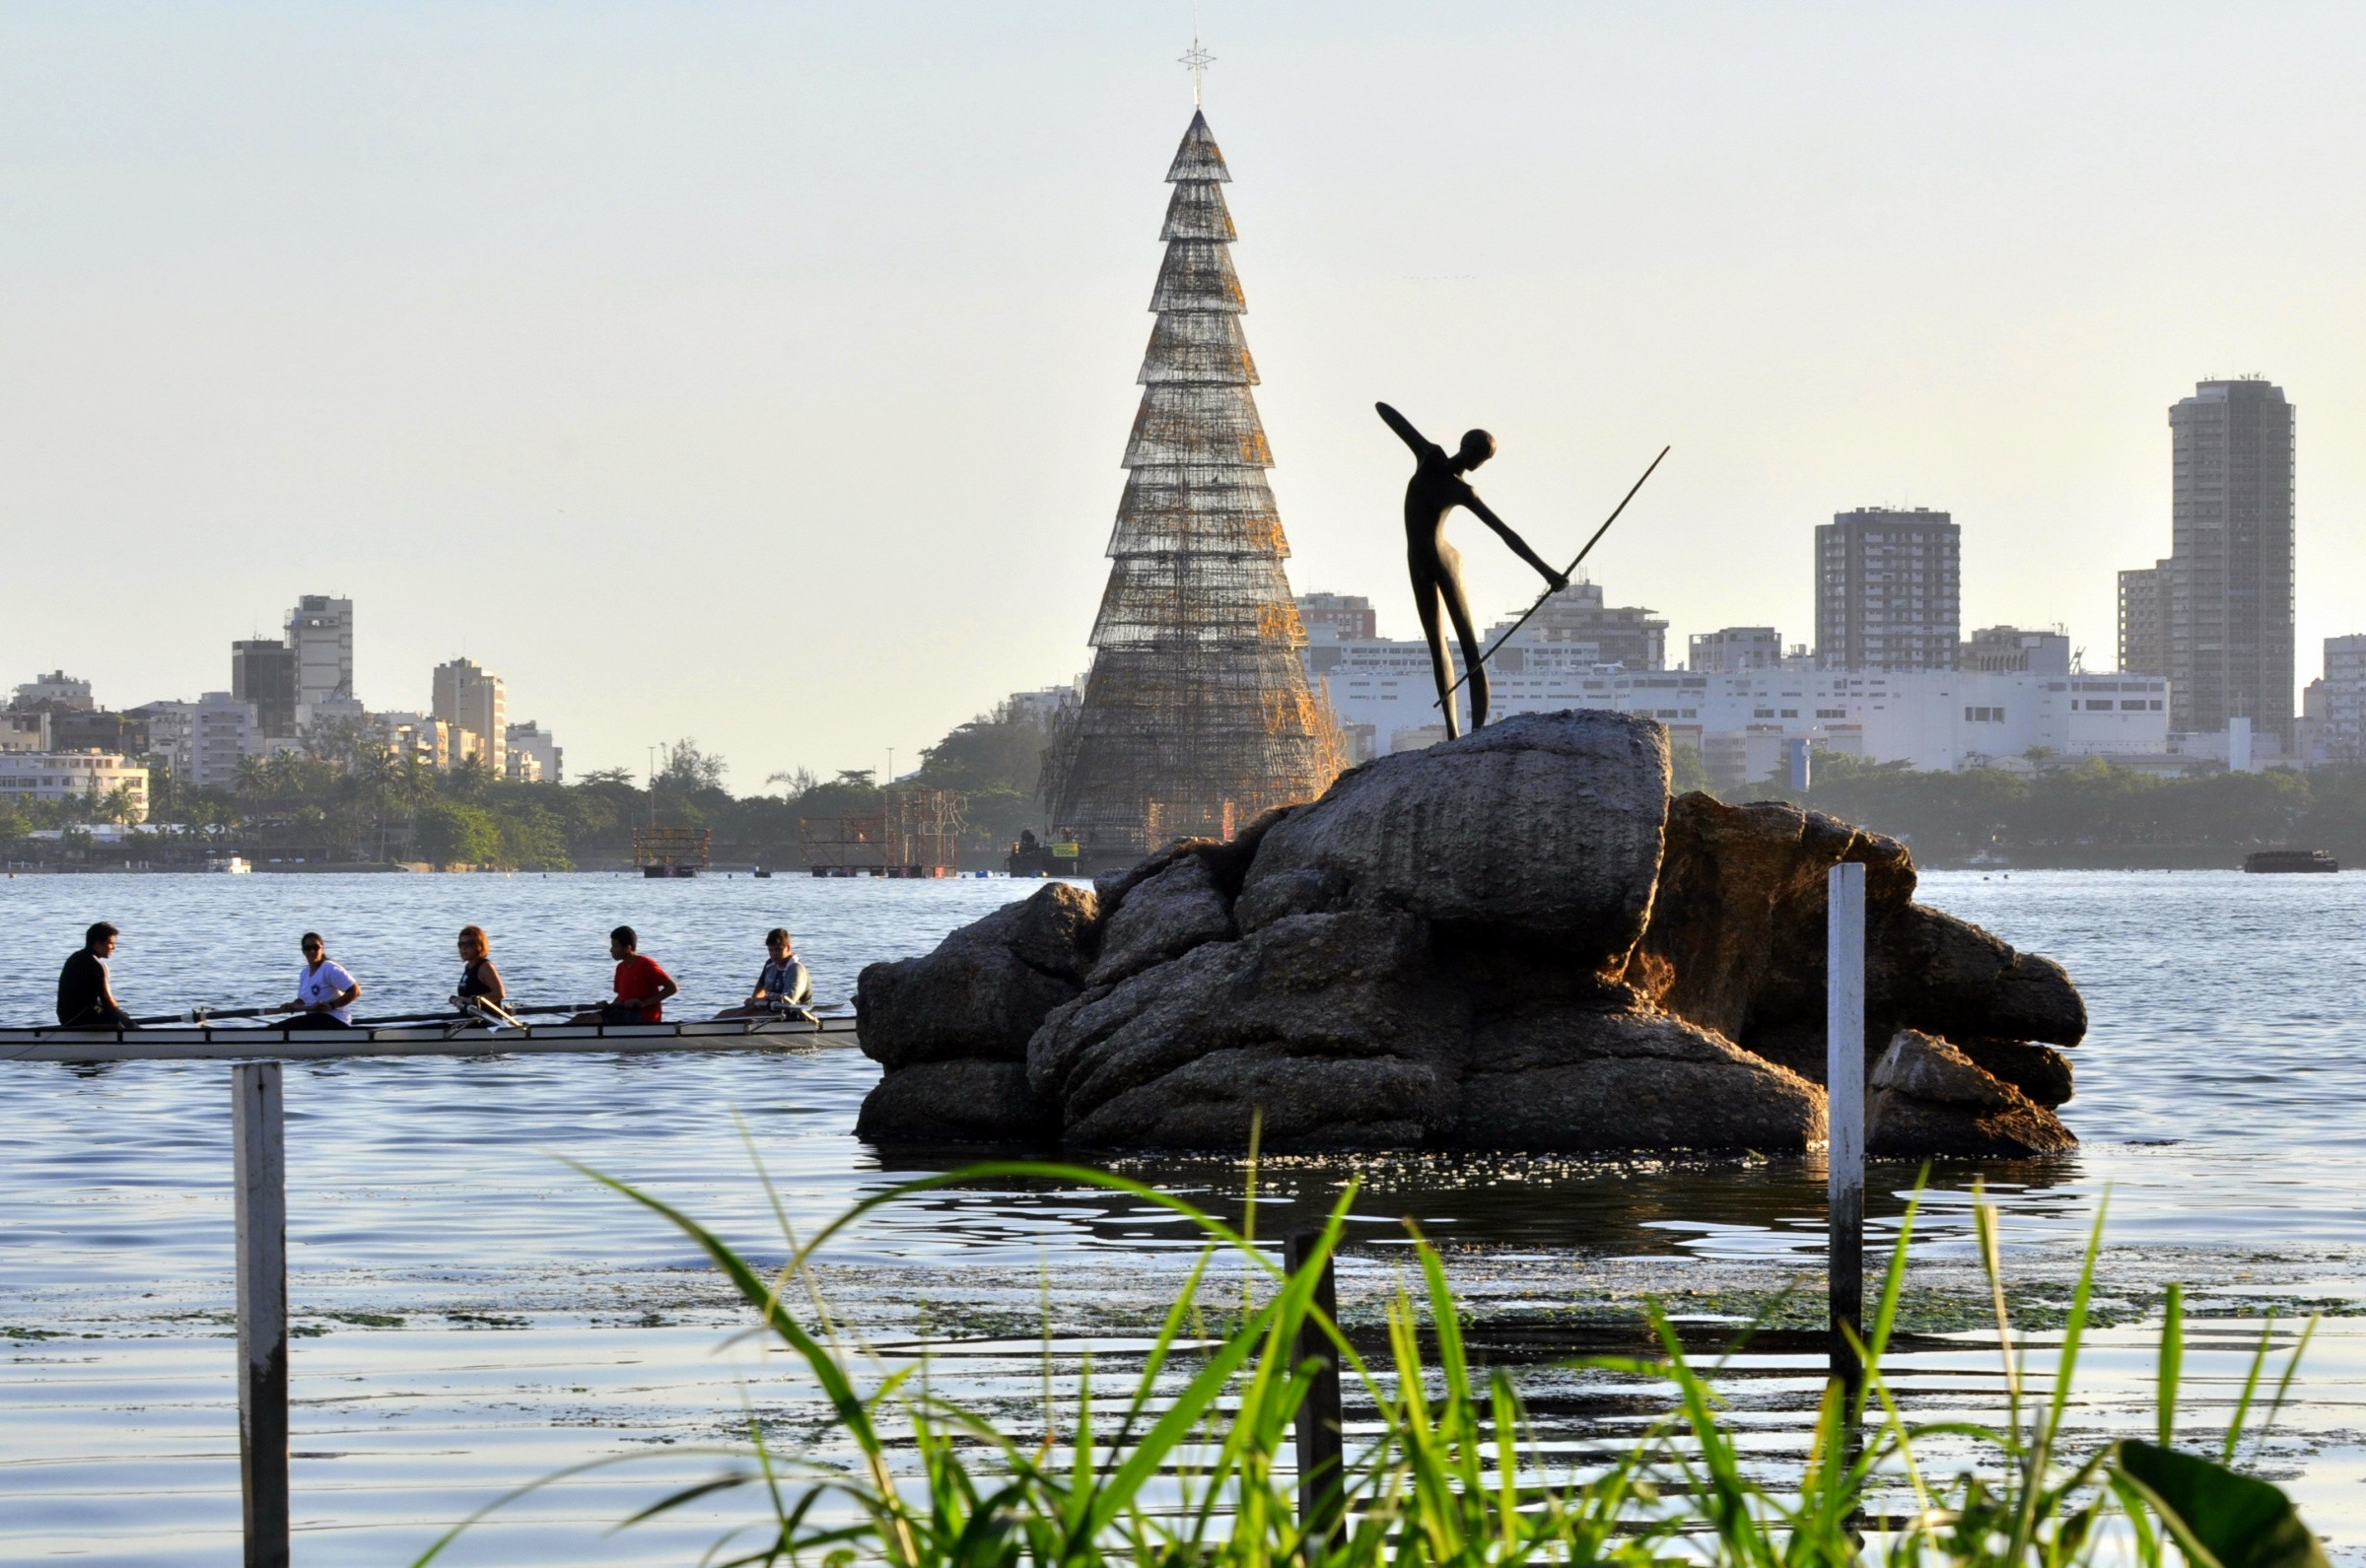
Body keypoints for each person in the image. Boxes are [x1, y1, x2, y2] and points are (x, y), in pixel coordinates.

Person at [1376, 402, 1568, 739]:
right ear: (1470, 452)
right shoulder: (1430, 456)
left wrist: (1546, 572)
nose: (1478, 463)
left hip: (1444, 560)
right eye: (1480, 455)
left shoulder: (1460, 488)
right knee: (1437, 646)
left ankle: (1477, 732)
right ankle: (1453, 733)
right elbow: (1387, 412)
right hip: (1419, 562)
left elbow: (1506, 534)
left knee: (1469, 649)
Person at [571, 925, 676, 1025]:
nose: (611, 950)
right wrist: (608, 1006)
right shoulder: (620, 968)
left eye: (615, 946)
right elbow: (621, 998)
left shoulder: (646, 964)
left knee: (594, 1019)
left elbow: (672, 988)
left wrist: (642, 1004)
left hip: (643, 1017)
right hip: (624, 1013)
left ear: (627, 948)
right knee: (580, 1018)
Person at [270, 931, 362, 1029]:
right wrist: (292, 1005)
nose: (312, 951)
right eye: (308, 948)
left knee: (278, 1028)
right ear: (303, 951)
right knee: (275, 1027)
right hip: (315, 1020)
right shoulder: (304, 973)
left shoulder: (330, 968)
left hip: (335, 1020)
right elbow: (302, 1001)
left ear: (322, 949)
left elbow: (355, 991)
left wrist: (331, 1005)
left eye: (316, 947)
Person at [715, 928, 811, 1020]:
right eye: (770, 950)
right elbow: (759, 991)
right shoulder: (770, 964)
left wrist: (760, 1003)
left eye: (778, 949)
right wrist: (754, 1001)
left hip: (792, 1017)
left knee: (739, 1017)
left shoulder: (796, 969)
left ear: (788, 948)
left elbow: (789, 1003)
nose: (773, 954)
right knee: (723, 1014)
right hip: (770, 1010)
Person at [56, 921, 135, 1030]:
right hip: (82, 1017)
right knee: (119, 1018)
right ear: (98, 943)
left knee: (118, 1015)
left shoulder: (74, 957)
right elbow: (107, 1000)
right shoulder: (97, 965)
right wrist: (131, 1025)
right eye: (111, 943)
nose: (114, 948)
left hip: (66, 1017)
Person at [451, 924, 507, 1015]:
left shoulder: (485, 967)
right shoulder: (468, 966)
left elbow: (500, 993)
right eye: (461, 944)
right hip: (471, 1021)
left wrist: (471, 1000)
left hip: (488, 1023)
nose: (463, 948)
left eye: (468, 944)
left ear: (479, 945)